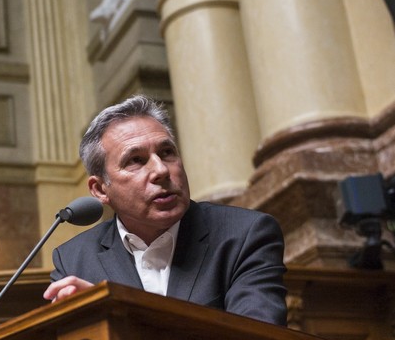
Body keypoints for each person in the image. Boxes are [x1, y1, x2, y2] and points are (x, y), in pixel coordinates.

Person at [43, 95, 287, 325]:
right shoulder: (74, 260)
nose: (161, 170)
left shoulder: (245, 235)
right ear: (100, 190)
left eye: (167, 152)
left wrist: (123, 318)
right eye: (135, 160)